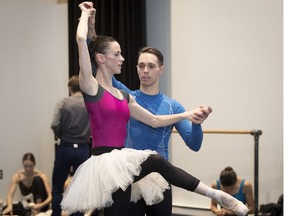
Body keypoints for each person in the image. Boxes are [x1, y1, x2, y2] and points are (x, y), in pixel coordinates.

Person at [60, 2, 249, 216]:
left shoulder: (124, 96)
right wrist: (85, 16)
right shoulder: (92, 87)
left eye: (150, 66)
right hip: (106, 164)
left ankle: (217, 195)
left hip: (127, 165)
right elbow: (85, 45)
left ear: (161, 69)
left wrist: (189, 115)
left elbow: (155, 120)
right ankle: (215, 195)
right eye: (119, 55)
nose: (124, 59)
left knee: (156, 162)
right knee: (153, 163)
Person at [112, 46, 210, 215]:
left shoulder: (173, 106)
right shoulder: (127, 96)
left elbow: (194, 144)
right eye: (141, 66)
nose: (145, 71)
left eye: (151, 66)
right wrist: (91, 33)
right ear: (136, 68)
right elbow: (99, 65)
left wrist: (196, 123)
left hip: (160, 178)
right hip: (131, 176)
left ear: (161, 69)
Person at [50, 75, 91, 216]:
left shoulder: (63, 103)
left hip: (65, 147)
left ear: (70, 88)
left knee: (57, 188)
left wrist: (62, 135)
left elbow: (54, 124)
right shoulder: (89, 104)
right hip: (83, 149)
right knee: (79, 188)